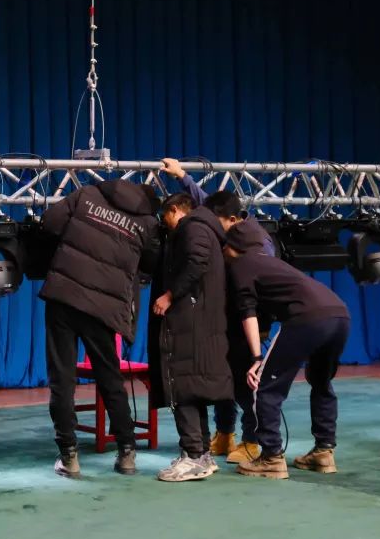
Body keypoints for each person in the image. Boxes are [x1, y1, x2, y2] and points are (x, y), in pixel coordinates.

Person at [38, 178, 160, 478]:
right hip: (104, 307)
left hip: (65, 296)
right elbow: (151, 263)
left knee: (62, 379)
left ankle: (69, 456)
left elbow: (49, 223)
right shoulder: (146, 222)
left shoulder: (87, 194)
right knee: (110, 378)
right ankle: (127, 452)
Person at [162, 158, 275, 463]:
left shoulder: (257, 241)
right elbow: (204, 202)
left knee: (246, 383)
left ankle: (252, 439)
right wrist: (182, 175)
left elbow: (258, 288)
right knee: (223, 379)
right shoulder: (224, 221)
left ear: (233, 219)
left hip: (251, 320)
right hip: (227, 319)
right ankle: (225, 434)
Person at [223, 218, 351, 479]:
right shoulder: (272, 262)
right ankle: (324, 451)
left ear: (233, 246)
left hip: (308, 318)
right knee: (321, 382)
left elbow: (248, 313)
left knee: (265, 387)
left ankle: (271, 457)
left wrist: (257, 357)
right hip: (340, 315)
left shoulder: (241, 265)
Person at [148, 193, 233, 482]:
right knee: (193, 387)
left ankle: (194, 456)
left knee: (182, 384)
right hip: (200, 324)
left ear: (174, 210)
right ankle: (201, 454)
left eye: (165, 218)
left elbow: (197, 262)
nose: (165, 224)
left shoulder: (193, 227)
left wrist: (170, 295)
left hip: (189, 324)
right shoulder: (205, 227)